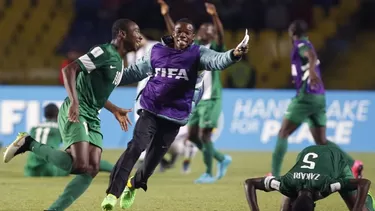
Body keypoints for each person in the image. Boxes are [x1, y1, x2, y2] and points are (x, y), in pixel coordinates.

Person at [101, 18, 248, 210]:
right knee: (135, 147)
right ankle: (112, 194)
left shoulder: (199, 54)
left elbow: (218, 60)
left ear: (192, 36)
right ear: (173, 33)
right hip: (150, 109)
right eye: (179, 31)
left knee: (151, 164)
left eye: (188, 32)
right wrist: (110, 78)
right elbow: (136, 72)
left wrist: (234, 54)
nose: (183, 35)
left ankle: (133, 185)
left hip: (175, 116)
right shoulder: (156, 51)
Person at [3, 19, 143, 211]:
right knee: (79, 164)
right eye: (136, 31)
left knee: (91, 169)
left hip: (93, 115)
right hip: (78, 110)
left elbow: (97, 94)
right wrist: (75, 103)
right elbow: (69, 69)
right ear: (122, 34)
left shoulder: (118, 62)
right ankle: (29, 143)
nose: (140, 36)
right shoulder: (103, 52)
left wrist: (114, 109)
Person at [270, 20, 363, 178]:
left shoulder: (300, 45)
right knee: (321, 141)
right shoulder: (308, 43)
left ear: (292, 33)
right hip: (319, 97)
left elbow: (311, 56)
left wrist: (312, 72)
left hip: (305, 97)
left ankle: (274, 174)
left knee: (283, 133)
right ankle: (353, 164)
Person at [158, 0, 231, 184]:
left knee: (205, 136)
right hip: (197, 98)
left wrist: (214, 16)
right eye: (205, 28)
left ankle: (208, 172)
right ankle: (222, 159)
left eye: (211, 30)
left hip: (212, 98)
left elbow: (222, 36)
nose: (209, 31)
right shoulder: (193, 47)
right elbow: (176, 35)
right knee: (192, 136)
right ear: (198, 33)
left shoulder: (215, 49)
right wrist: (166, 14)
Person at [244, 145, 374, 211]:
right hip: (306, 155)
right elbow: (249, 183)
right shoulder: (285, 184)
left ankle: (367, 199)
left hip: (336, 160)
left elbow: (363, 183)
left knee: (359, 208)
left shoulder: (326, 185)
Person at [24, 103, 114, 177]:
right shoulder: (60, 128)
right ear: (58, 114)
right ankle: (115, 169)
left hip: (30, 170)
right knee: (88, 160)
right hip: (50, 169)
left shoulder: (34, 128)